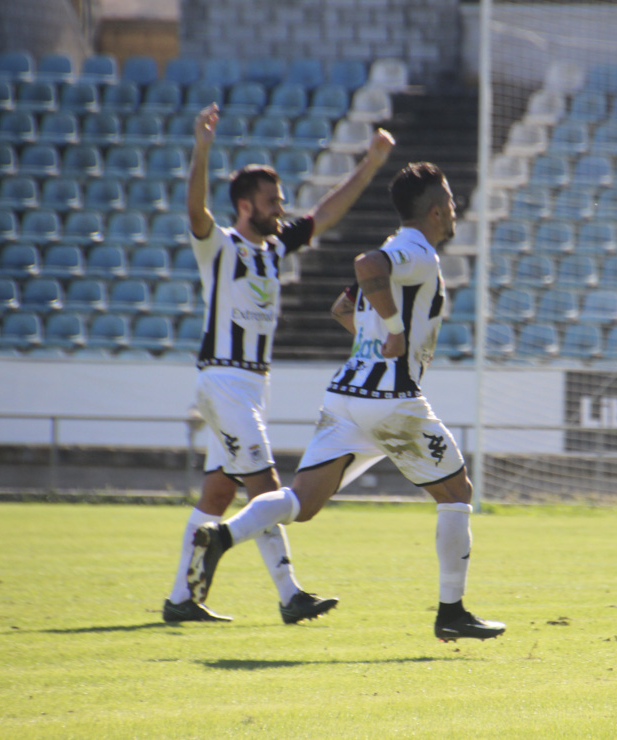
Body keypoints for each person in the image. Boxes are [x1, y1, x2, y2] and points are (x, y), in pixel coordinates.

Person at [186, 162, 505, 642]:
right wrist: (395, 333)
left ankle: (224, 535)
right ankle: (452, 612)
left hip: (346, 395)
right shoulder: (417, 253)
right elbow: (366, 265)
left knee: (302, 502)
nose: (455, 209)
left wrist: (373, 342)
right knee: (457, 493)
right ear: (438, 212)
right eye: (452, 203)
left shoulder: (402, 249)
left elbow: (342, 306)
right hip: (390, 399)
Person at [163, 103, 395, 624]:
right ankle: (290, 595)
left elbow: (327, 213)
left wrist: (371, 164)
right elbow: (196, 214)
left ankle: (180, 600)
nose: (281, 207)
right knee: (267, 488)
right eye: (272, 200)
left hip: (249, 386)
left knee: (220, 491)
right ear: (245, 204)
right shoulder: (221, 247)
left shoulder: (272, 247)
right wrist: (202, 150)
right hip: (224, 379)